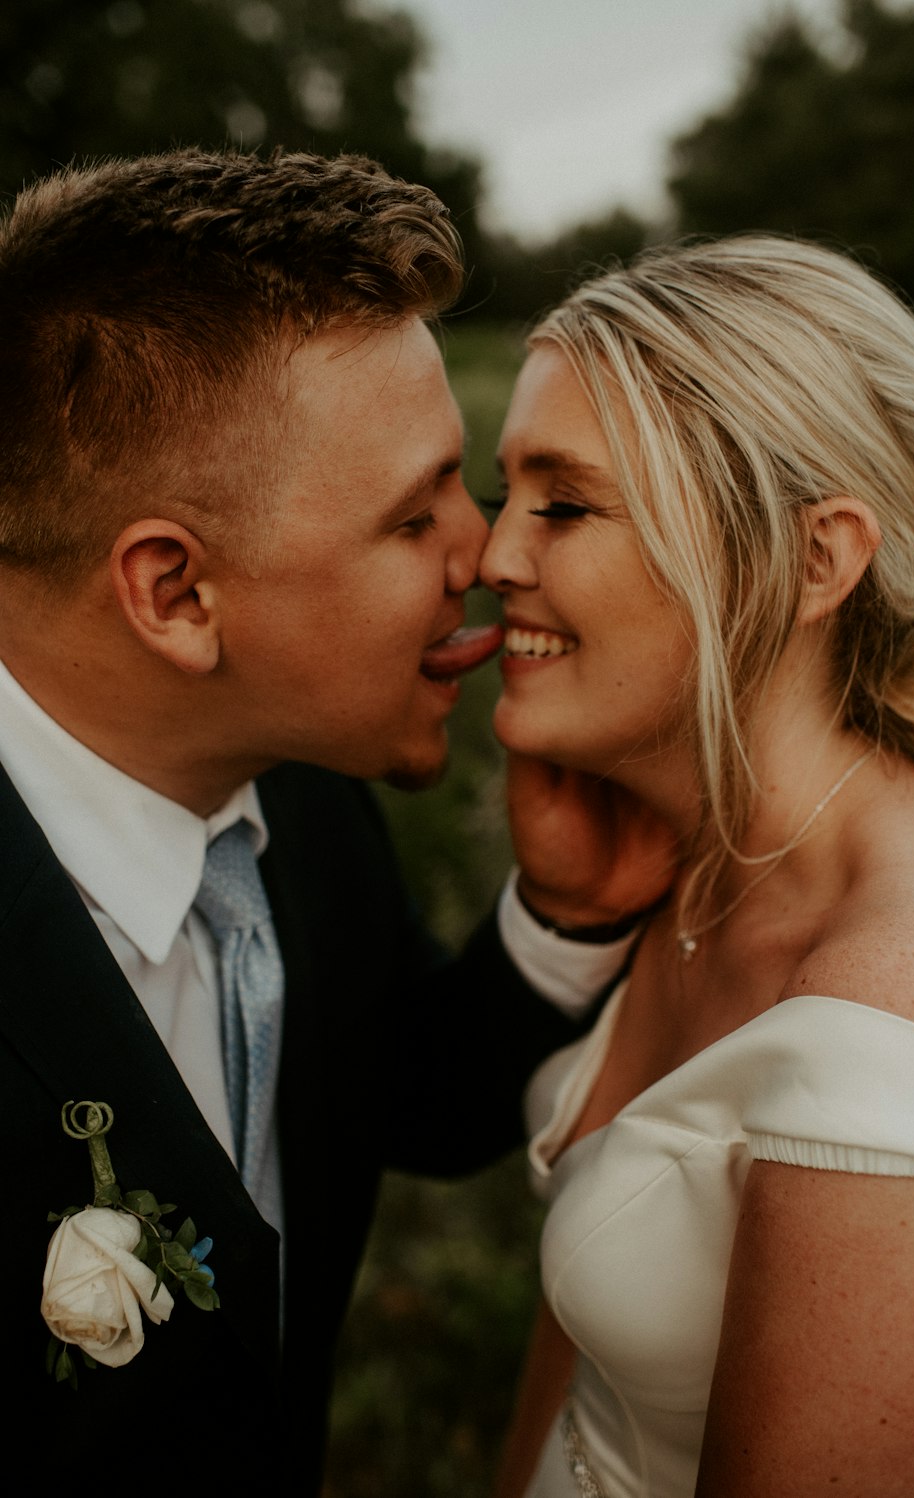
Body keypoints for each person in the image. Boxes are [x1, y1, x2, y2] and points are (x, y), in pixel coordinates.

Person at [0, 150, 671, 1494]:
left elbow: (388, 1089)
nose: (481, 553)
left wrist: (562, 918)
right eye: (415, 510)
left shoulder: (302, 788)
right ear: (176, 593)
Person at [481, 235, 914, 1498]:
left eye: (564, 503)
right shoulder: (701, 861)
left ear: (817, 558)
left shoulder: (907, 1000)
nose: (493, 558)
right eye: (502, 492)